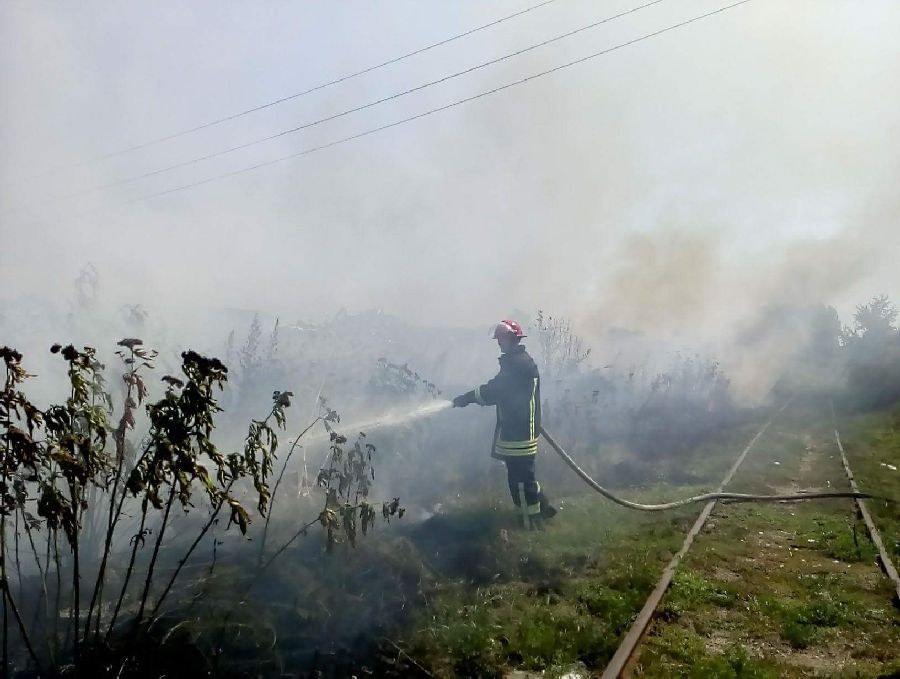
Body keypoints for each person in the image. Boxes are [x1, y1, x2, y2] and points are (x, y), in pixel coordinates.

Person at [452, 319, 556, 529]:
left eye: (502, 339)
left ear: (514, 339)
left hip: (518, 433)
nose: (499, 342)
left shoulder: (516, 365)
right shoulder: (519, 361)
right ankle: (544, 509)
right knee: (525, 477)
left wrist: (467, 398)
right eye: (498, 339)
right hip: (521, 429)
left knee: (519, 482)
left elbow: (494, 391)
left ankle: (529, 525)